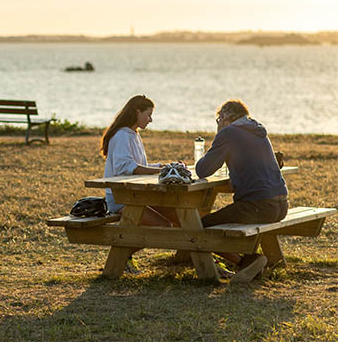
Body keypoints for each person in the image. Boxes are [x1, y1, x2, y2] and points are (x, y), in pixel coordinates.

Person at [196, 99, 288, 282]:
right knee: (211, 222)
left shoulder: (229, 133)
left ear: (226, 117)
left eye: (218, 120)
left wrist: (219, 134)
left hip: (257, 206)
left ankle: (247, 261)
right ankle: (245, 261)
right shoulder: (259, 131)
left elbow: (203, 170)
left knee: (199, 227)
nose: (218, 124)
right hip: (281, 205)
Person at [100, 95, 178, 272]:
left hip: (137, 196)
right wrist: (159, 171)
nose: (151, 120)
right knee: (163, 226)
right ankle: (123, 255)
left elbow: (138, 165)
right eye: (148, 115)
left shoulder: (133, 134)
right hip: (121, 198)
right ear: (137, 112)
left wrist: (163, 166)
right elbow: (126, 167)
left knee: (178, 215)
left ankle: (188, 257)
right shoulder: (121, 136)